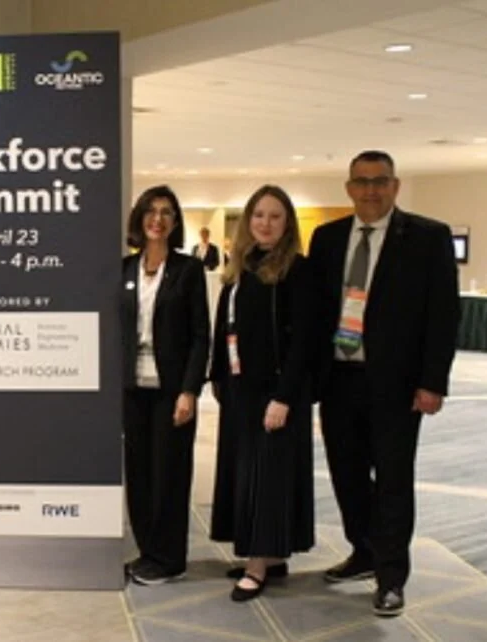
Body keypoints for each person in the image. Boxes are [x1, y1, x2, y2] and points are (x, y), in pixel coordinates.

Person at [308, 150, 460, 617]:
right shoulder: (328, 239)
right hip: (338, 379)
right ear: (348, 188)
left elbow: (443, 315)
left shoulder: (428, 237)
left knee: (393, 480)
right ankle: (364, 551)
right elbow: (314, 311)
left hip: (395, 385)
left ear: (395, 186)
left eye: (380, 181)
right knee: (347, 474)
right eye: (362, 181)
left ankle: (392, 576)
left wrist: (432, 381)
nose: (371, 190)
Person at [209, 185, 315, 602]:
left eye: (274, 216)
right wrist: (219, 378)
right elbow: (228, 327)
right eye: (258, 215)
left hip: (274, 393)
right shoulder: (241, 268)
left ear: (287, 223)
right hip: (240, 390)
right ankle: (269, 553)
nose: (265, 223)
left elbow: (304, 341)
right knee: (245, 473)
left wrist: (284, 397)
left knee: (266, 477)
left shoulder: (298, 270)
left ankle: (257, 565)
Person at [121, 185, 210, 585]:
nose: (158, 219)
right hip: (132, 389)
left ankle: (170, 558)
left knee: (169, 475)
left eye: (167, 213)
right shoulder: (125, 269)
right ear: (140, 218)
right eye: (151, 211)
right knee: (139, 473)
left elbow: (200, 336)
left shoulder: (188, 270)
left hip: (172, 390)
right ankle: (147, 552)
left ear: (175, 223)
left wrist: (189, 390)